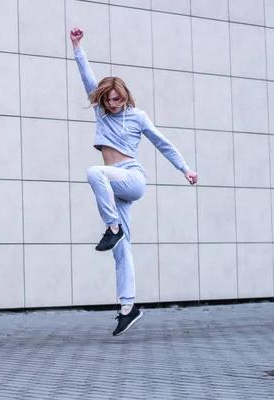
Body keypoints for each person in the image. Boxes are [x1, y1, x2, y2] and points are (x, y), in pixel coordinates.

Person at [69, 27, 198, 336]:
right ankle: (128, 307)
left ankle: (112, 227)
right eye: (109, 99)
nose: (113, 104)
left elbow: (162, 142)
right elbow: (86, 77)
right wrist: (77, 47)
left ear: (125, 95)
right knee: (122, 250)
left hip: (132, 178)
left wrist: (185, 169)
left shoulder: (138, 116)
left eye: (118, 99)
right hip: (117, 187)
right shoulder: (100, 113)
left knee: (94, 172)